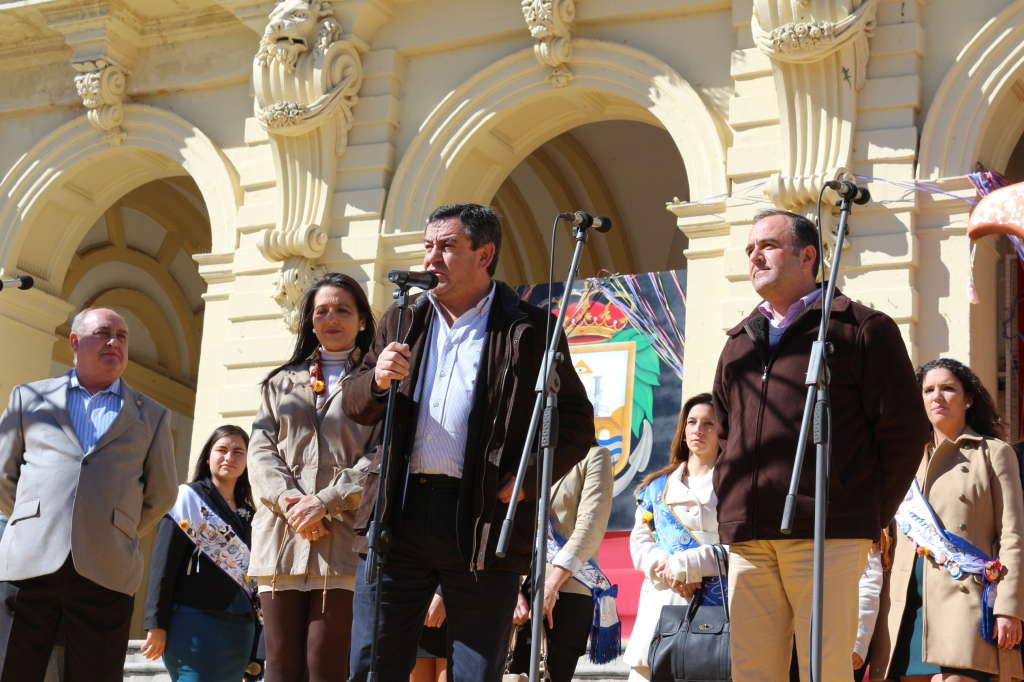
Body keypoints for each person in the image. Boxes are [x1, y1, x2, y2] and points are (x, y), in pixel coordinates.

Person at [343, 202, 595, 681]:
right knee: (372, 664)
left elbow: (576, 422)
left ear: (485, 255)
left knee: (476, 671)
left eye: (447, 247)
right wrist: (376, 380)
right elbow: (355, 405)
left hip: (482, 516)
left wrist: (527, 480)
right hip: (399, 510)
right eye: (428, 246)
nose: (431, 259)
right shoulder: (402, 319)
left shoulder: (531, 328)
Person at [712, 209, 930, 682]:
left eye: (768, 245)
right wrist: (731, 502)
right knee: (752, 674)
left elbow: (905, 433)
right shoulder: (738, 343)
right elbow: (725, 434)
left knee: (824, 671)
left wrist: (864, 513)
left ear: (807, 255)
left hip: (826, 533)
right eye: (750, 249)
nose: (755, 256)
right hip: (750, 535)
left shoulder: (860, 328)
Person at [0, 307, 178, 682]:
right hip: (29, 563)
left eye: (122, 336)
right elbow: (3, 474)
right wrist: (34, 517)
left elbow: (161, 494)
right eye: (104, 333)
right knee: (11, 669)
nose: (115, 342)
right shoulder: (29, 398)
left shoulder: (152, 415)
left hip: (106, 570)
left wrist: (117, 527)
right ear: (75, 342)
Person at [248, 272, 377, 682]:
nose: (331, 318)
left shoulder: (378, 384)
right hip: (281, 538)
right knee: (281, 666)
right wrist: (291, 503)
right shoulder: (280, 382)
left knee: (326, 663)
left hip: (342, 537)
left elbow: (381, 456)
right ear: (310, 321)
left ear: (361, 320)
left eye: (343, 310)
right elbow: (260, 451)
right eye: (322, 311)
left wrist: (325, 502)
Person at [868, 358, 1024, 681]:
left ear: (968, 399)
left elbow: (1013, 535)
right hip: (905, 608)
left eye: (948, 388)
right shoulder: (904, 461)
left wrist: (1009, 608)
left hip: (965, 607)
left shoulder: (994, 453)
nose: (937, 396)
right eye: (928, 390)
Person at [141, 425, 260, 681]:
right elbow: (163, 566)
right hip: (194, 624)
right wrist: (156, 623)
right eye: (222, 450)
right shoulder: (186, 500)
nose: (229, 457)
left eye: (238, 452)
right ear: (208, 456)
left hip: (241, 629)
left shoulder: (250, 514)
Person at [623, 393, 724, 681]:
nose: (698, 430)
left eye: (708, 423)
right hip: (662, 600)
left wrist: (689, 565)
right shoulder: (657, 487)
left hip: (716, 607)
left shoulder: (734, 486)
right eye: (692, 422)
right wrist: (668, 568)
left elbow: (741, 548)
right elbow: (640, 543)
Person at [507, 445, 617, 682]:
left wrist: (551, 585)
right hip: (518, 584)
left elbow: (590, 526)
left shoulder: (593, 456)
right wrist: (512, 589)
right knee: (513, 673)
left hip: (568, 586)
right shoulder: (523, 454)